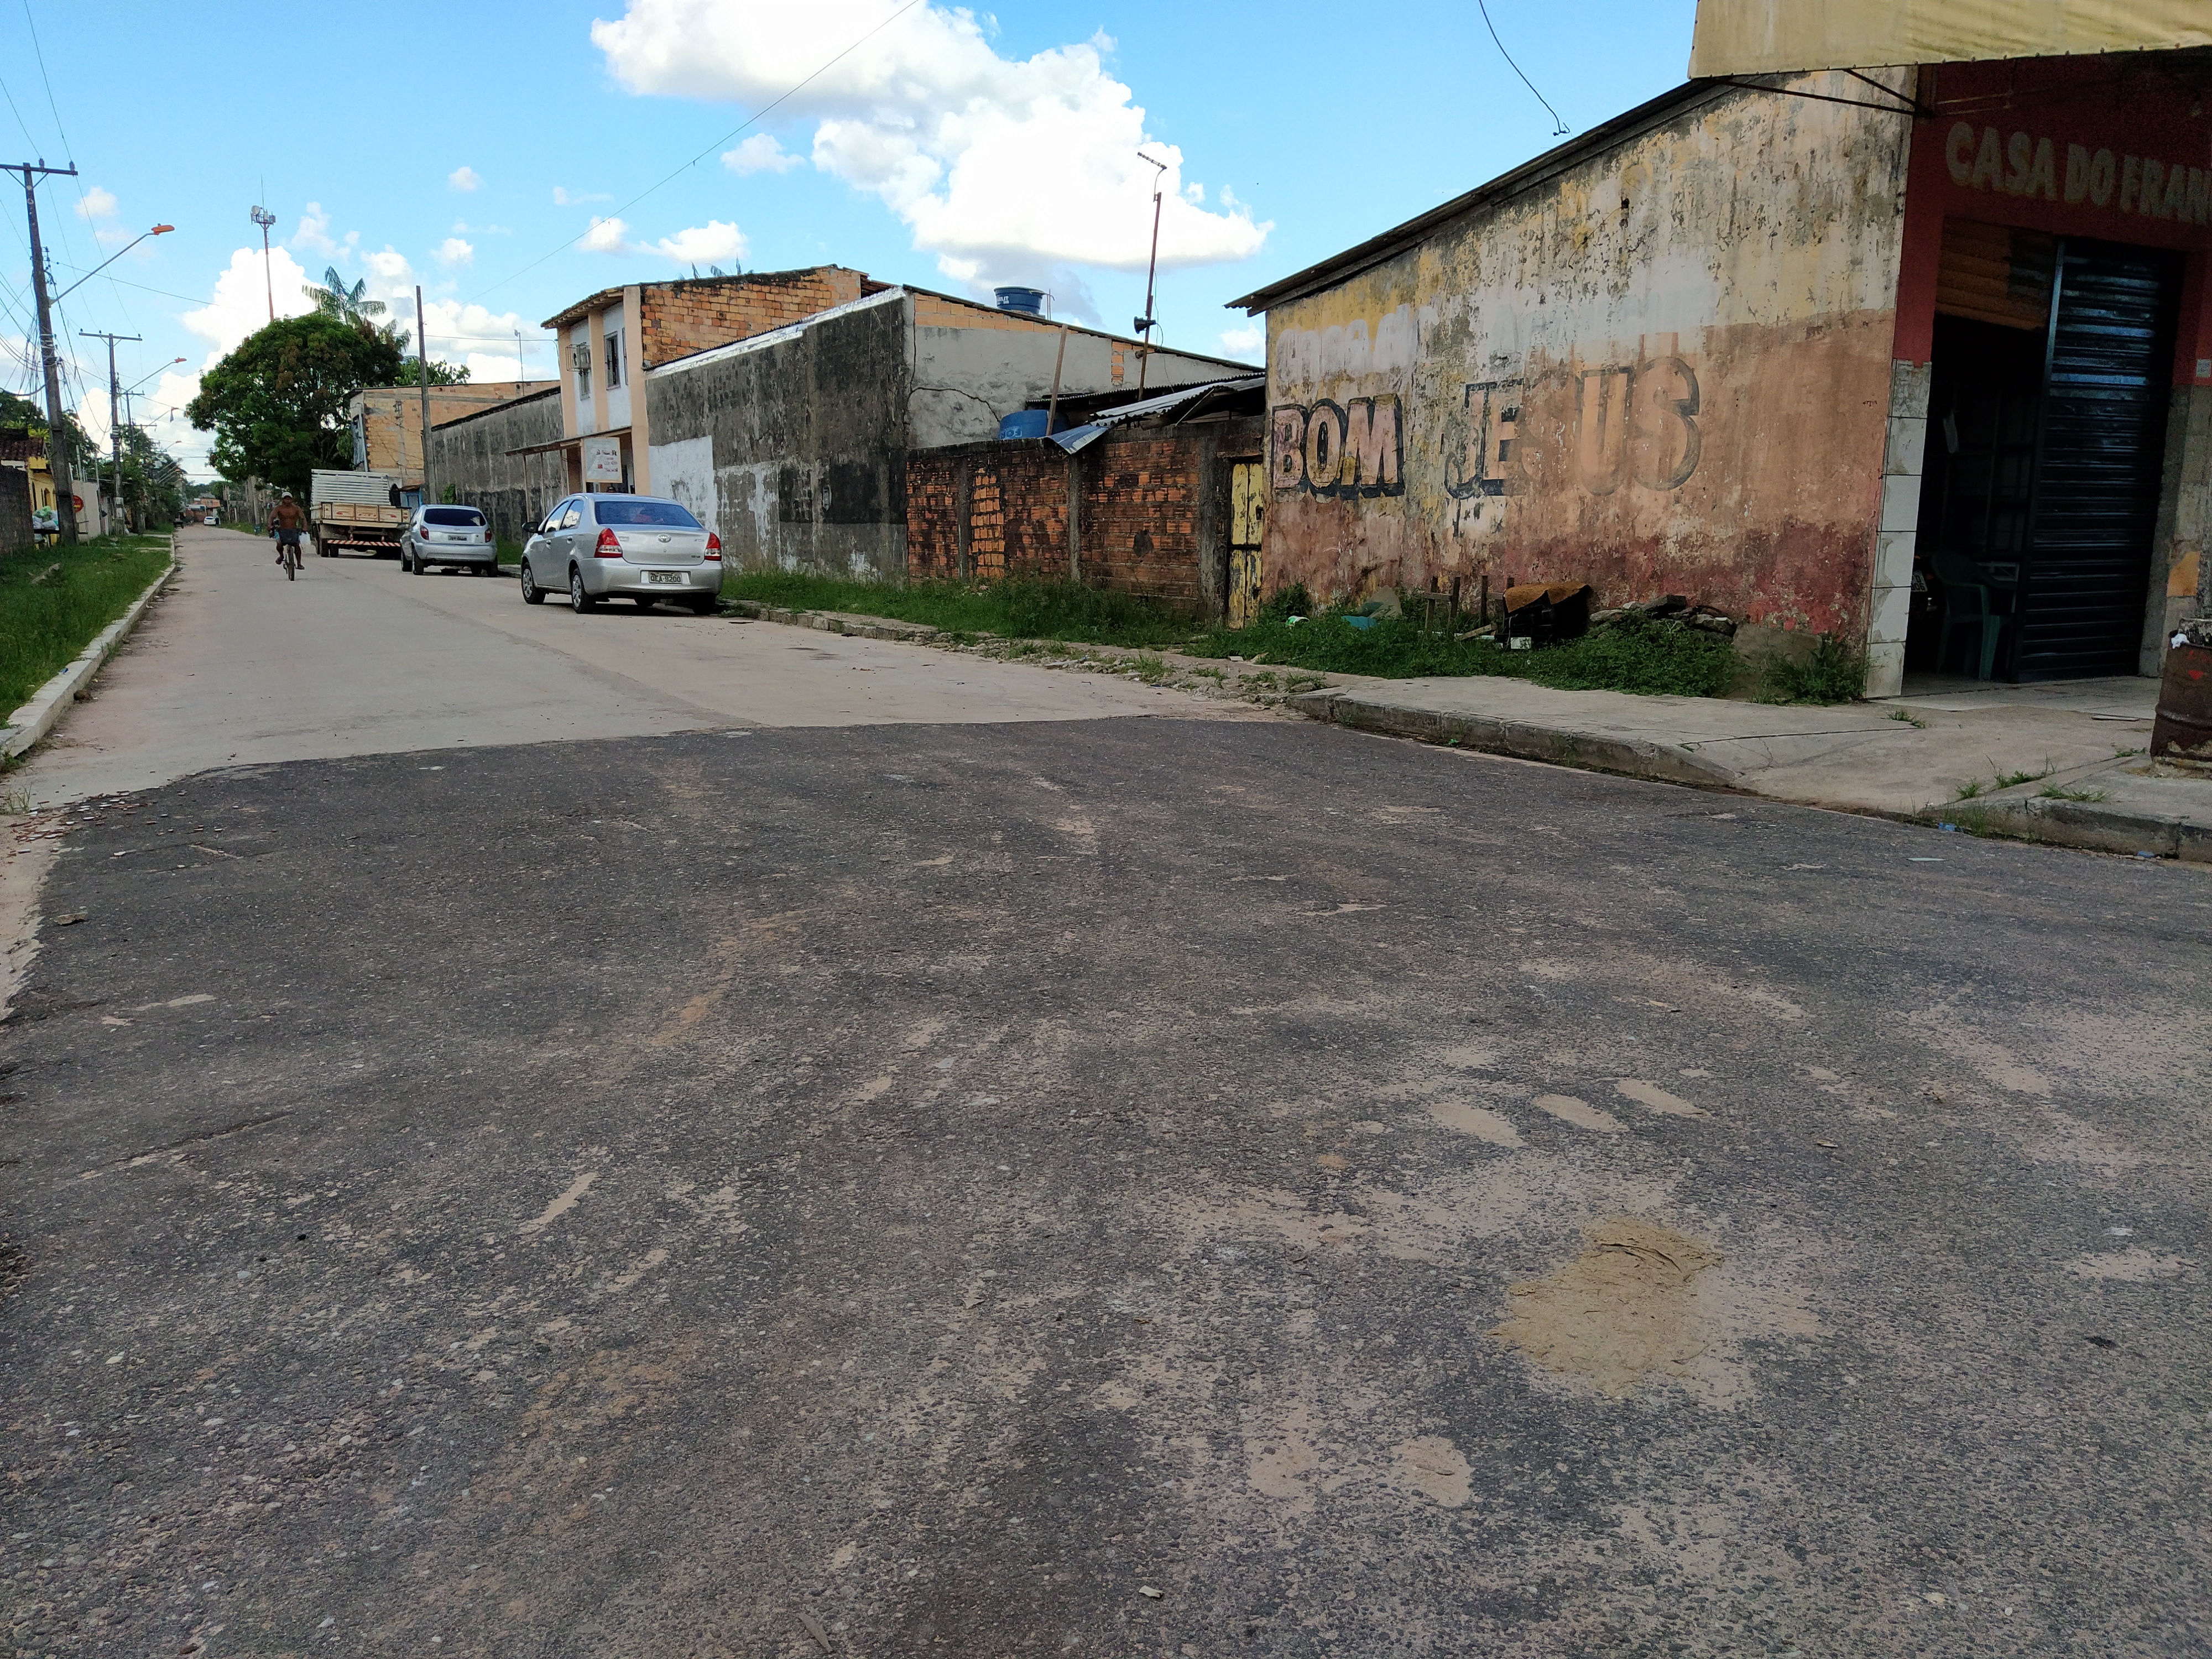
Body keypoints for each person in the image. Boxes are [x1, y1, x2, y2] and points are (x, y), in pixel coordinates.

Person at [272, 492, 306, 566]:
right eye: (286, 499)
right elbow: (272, 517)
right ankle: (281, 556)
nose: (288, 501)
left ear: (292, 500)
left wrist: (304, 527)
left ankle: (299, 563)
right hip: (282, 530)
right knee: (279, 544)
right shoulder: (279, 508)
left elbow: (303, 518)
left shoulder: (296, 509)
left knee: (297, 545)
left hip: (293, 530)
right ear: (283, 500)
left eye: (289, 499)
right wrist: (270, 526)